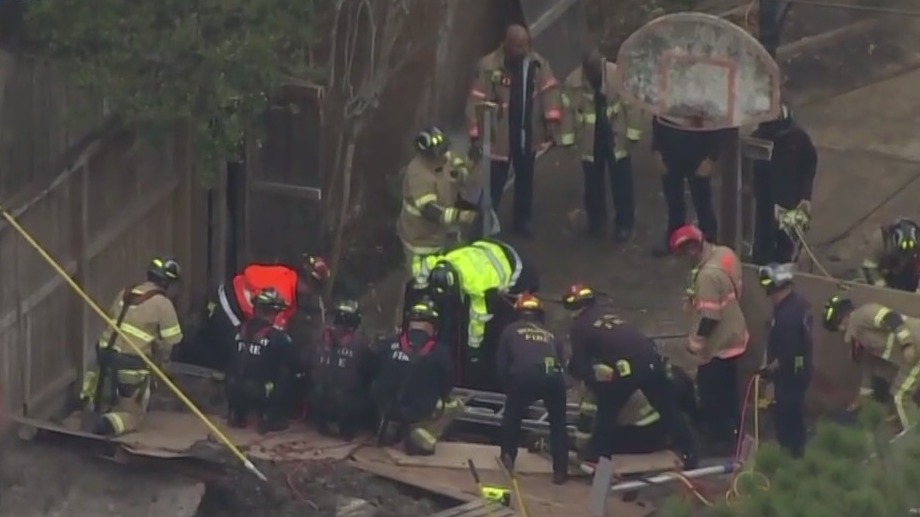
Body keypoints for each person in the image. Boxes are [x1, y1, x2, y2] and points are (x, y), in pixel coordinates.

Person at [563, 283, 698, 468]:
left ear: (572, 309)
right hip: (652, 360)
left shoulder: (580, 326)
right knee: (666, 409)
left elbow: (581, 361)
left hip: (628, 368)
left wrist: (591, 381)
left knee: (606, 408)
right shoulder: (609, 316)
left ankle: (596, 454)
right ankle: (689, 450)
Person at [465, 24, 562, 237]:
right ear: (507, 45)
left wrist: (551, 124)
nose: (523, 51)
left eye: (525, 46)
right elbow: (476, 100)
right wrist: (476, 135)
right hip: (500, 135)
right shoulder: (489, 66)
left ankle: (523, 220)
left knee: (525, 179)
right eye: (518, 47)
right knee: (494, 183)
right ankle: (485, 224)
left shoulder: (537, 64)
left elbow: (549, 92)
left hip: (527, 132)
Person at [79, 257, 184, 436]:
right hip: (131, 363)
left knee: (106, 395)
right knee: (132, 414)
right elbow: (172, 341)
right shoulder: (163, 304)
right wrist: (162, 364)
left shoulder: (125, 293)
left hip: (104, 355)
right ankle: (106, 426)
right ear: (168, 283)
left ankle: (96, 408)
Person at [423, 238, 540, 390]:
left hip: (516, 271)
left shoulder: (476, 285)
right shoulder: (438, 263)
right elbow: (420, 268)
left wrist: (474, 354)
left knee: (502, 322)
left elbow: (478, 322)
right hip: (488, 250)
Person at [669, 225, 748, 448]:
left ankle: (719, 440)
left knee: (712, 395)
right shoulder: (725, 254)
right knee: (730, 391)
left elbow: (710, 317)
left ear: (694, 248)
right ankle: (735, 430)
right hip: (735, 333)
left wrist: (695, 344)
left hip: (718, 345)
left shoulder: (707, 277)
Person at [179, 255, 330, 372]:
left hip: (227, 298)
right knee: (237, 353)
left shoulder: (287, 277)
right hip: (230, 308)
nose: (312, 293)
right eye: (314, 287)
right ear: (307, 282)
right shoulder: (283, 293)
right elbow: (274, 335)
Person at [396, 126, 478, 324]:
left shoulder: (443, 156)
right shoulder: (418, 175)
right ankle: (405, 322)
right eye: (438, 153)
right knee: (418, 283)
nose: (443, 156)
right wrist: (461, 216)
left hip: (439, 236)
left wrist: (466, 168)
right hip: (420, 241)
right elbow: (430, 211)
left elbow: (457, 164)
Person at [559, 49, 641, 242]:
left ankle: (624, 224)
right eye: (589, 71)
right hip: (590, 140)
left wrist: (633, 135)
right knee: (592, 185)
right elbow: (568, 113)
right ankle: (596, 222)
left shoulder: (618, 76)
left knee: (622, 184)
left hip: (616, 137)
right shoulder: (573, 83)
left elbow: (632, 105)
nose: (593, 75)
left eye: (596, 70)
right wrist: (568, 141)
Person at [373, 298, 463, 455]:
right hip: (419, 411)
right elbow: (447, 386)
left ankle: (391, 426)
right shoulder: (441, 352)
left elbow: (375, 370)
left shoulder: (387, 344)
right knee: (456, 404)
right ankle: (420, 434)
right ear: (433, 325)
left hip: (386, 407)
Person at [496, 294, 568, 484]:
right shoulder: (551, 334)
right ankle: (561, 471)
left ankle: (508, 459)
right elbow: (561, 362)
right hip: (553, 377)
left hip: (524, 376)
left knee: (512, 418)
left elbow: (501, 364)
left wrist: (508, 388)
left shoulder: (510, 330)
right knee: (558, 424)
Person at [822, 296, 920, 432]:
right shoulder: (860, 338)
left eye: (838, 325)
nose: (840, 329)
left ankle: (914, 440)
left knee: (900, 396)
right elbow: (868, 373)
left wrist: (906, 343)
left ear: (843, 317)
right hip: (909, 358)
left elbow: (892, 318)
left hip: (915, 346)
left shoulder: (863, 314)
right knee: (899, 394)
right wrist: (858, 403)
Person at [225, 288, 299, 433]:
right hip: (260, 392)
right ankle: (270, 418)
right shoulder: (278, 337)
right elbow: (297, 364)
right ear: (274, 312)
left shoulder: (237, 330)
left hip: (232, 387)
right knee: (289, 373)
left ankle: (237, 414)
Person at [757, 263, 813, 457]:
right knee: (794, 412)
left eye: (772, 291)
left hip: (791, 373)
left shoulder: (788, 315)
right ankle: (796, 451)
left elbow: (787, 352)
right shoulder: (798, 303)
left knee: (786, 414)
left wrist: (769, 370)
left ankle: (791, 455)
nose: (771, 297)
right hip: (801, 368)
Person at [751, 105, 818, 265]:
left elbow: (810, 163)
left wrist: (805, 196)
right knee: (762, 246)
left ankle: (783, 275)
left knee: (785, 247)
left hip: (790, 202)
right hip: (765, 204)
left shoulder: (798, 138)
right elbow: (749, 169)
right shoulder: (758, 139)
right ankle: (760, 274)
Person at [650, 116, 722, 256]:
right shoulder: (669, 96)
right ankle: (674, 239)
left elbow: (717, 124)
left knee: (703, 203)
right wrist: (656, 149)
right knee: (674, 201)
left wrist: (712, 157)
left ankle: (709, 244)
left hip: (699, 153)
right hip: (669, 152)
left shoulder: (704, 98)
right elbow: (659, 117)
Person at [309, 299, 377, 440]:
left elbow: (306, 363)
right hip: (345, 404)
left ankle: (322, 421)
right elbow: (372, 372)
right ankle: (348, 427)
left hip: (315, 400)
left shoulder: (318, 337)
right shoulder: (362, 344)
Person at [861, 218, 920, 292]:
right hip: (885, 270)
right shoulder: (879, 242)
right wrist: (881, 286)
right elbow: (869, 266)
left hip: (908, 269)